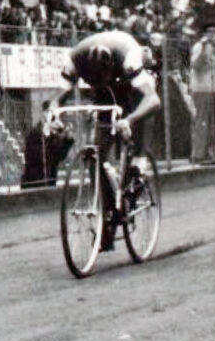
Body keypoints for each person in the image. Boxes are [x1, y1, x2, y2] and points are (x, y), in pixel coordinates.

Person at [55, 30, 161, 251]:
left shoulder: (129, 57)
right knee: (97, 154)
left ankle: (138, 163)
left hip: (131, 83)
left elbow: (153, 100)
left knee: (140, 111)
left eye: (104, 75)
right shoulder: (74, 60)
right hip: (105, 93)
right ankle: (107, 219)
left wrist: (129, 120)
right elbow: (58, 97)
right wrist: (53, 112)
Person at [189, 22, 215, 165]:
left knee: (210, 123)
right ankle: (198, 154)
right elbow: (195, 65)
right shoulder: (199, 46)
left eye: (214, 32)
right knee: (201, 121)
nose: (212, 35)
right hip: (201, 88)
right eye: (210, 32)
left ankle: (208, 153)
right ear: (205, 33)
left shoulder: (214, 49)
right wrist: (204, 47)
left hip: (211, 88)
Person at [22, 100, 75, 188]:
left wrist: (67, 141)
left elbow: (58, 156)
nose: (55, 116)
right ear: (44, 113)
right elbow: (34, 157)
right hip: (34, 183)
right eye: (51, 112)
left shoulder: (54, 135)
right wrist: (46, 136)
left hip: (50, 182)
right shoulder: (34, 133)